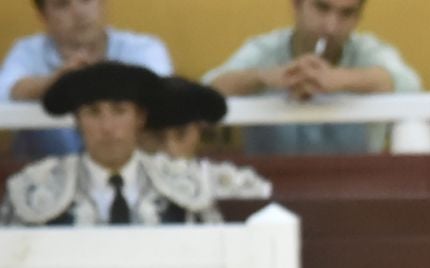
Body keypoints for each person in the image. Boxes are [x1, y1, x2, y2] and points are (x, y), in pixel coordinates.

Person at [2, 61, 222, 226]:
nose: (107, 127)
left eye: (119, 111)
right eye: (93, 113)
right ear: (78, 121)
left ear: (140, 118)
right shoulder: (35, 186)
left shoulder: (187, 182)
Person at [204, 0, 422, 155]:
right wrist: (263, 77)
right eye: (322, 7)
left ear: (358, 18)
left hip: (354, 192)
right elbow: (206, 90)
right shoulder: (265, 51)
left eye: (346, 14)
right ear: (297, 5)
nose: (331, 26)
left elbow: (411, 86)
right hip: (271, 191)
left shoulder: (367, 52)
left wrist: (342, 80)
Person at [0, 0, 170, 161]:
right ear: (43, 16)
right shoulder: (27, 51)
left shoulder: (143, 48)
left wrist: (82, 83)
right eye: (62, 5)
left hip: (130, 164)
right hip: (47, 175)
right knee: (52, 130)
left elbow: (162, 97)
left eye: (86, 0)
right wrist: (54, 83)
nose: (79, 13)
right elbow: (6, 92)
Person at [141, 77, 273, 206]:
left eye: (181, 134)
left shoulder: (228, 183)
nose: (171, 148)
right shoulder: (130, 183)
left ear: (198, 132)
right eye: (157, 137)